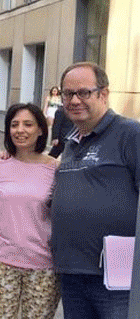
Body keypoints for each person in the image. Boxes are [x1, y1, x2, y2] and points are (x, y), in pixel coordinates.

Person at [52, 62, 140, 318]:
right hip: (72, 273)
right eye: (68, 93)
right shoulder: (71, 141)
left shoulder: (130, 134)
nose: (74, 100)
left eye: (84, 92)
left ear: (103, 94)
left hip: (117, 278)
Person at [0, 103, 60, 319]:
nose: (20, 130)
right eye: (14, 124)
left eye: (28, 124)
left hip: (43, 264)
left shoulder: (54, 168)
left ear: (40, 130)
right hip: (1, 261)